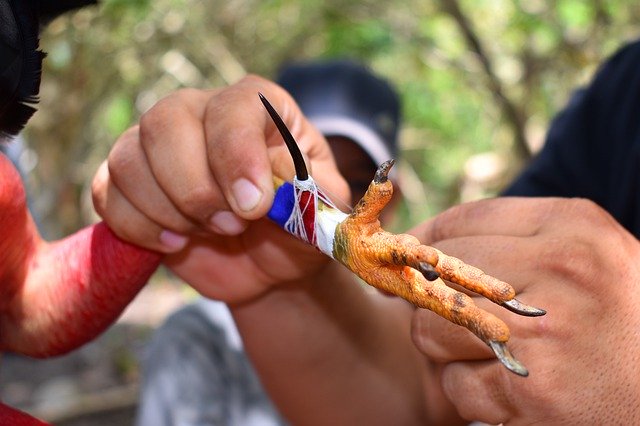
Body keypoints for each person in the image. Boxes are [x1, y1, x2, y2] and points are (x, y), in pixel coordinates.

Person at [93, 39, 640, 426]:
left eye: (366, 179)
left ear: (389, 192)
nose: (345, 189)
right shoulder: (623, 103)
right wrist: (278, 287)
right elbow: (424, 393)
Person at [133, 59, 402, 426]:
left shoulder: (427, 341)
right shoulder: (199, 338)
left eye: (358, 182)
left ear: (392, 198)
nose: (334, 200)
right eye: (301, 178)